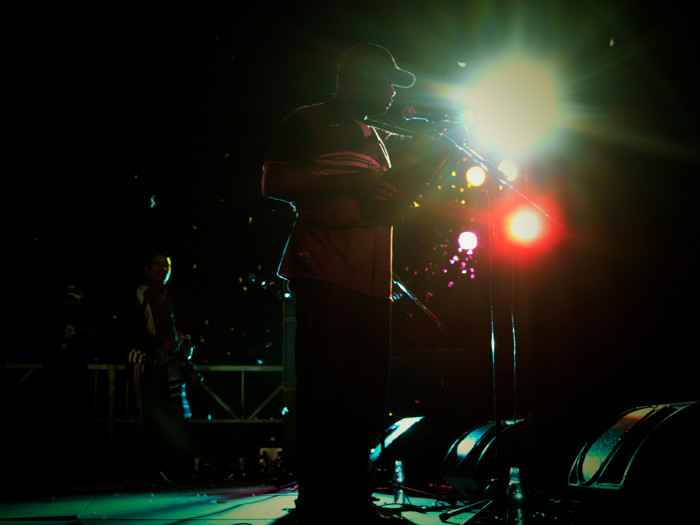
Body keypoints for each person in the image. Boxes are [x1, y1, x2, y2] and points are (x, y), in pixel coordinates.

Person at [262, 43, 445, 525]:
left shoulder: (375, 136)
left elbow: (378, 199)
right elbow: (273, 182)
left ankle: (353, 497)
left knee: (364, 394)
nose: (392, 94)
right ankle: (318, 500)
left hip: (374, 281)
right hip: (326, 269)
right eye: (386, 83)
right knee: (325, 388)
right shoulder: (307, 121)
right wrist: (351, 188)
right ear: (355, 79)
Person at [125, 251, 198, 487]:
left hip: (158, 364)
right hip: (142, 361)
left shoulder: (163, 296)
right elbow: (133, 328)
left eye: (166, 265)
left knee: (156, 418)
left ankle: (152, 471)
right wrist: (158, 343)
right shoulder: (142, 292)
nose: (162, 269)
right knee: (143, 416)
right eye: (157, 264)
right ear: (147, 269)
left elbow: (165, 333)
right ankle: (138, 472)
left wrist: (175, 343)